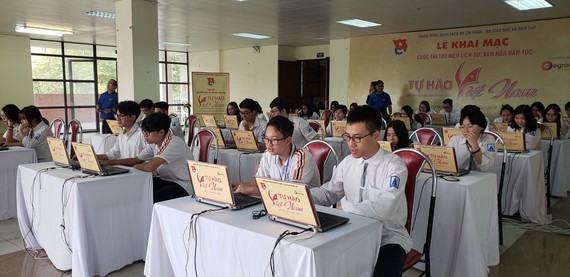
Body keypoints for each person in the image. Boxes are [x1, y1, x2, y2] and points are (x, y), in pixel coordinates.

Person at [310, 105, 411, 277]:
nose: (351, 143)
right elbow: (329, 193)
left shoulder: (394, 166)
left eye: (357, 138)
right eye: (348, 137)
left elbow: (383, 208)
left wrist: (345, 206)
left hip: (387, 236)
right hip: (350, 231)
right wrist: (301, 196)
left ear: (376, 135)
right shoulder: (348, 162)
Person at [234, 115, 320, 196]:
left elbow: (292, 192)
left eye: (274, 140)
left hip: (306, 206)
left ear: (288, 140)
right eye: (266, 139)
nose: (269, 144)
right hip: (279, 204)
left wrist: (251, 190)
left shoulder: (301, 158)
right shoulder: (268, 154)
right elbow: (260, 182)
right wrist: (239, 185)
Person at [132, 113, 194, 203]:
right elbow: (137, 159)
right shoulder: (154, 142)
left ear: (161, 132)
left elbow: (149, 167)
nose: (144, 136)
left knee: (151, 199)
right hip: (165, 180)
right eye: (143, 132)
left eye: (148, 133)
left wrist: (135, 167)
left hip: (182, 184)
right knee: (137, 189)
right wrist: (110, 162)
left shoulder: (173, 143)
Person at [96, 101, 147, 165]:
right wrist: (94, 156)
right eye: (117, 115)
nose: (118, 119)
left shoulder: (143, 134)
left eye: (121, 116)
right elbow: (114, 154)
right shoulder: (122, 134)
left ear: (133, 117)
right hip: (126, 170)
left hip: (140, 171)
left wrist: (109, 162)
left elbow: (146, 158)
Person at [447, 108, 496, 172]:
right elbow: (447, 165)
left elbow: (485, 168)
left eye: (470, 126)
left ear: (481, 127)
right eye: (462, 126)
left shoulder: (488, 140)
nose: (465, 131)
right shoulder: (454, 141)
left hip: (481, 179)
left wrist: (475, 145)